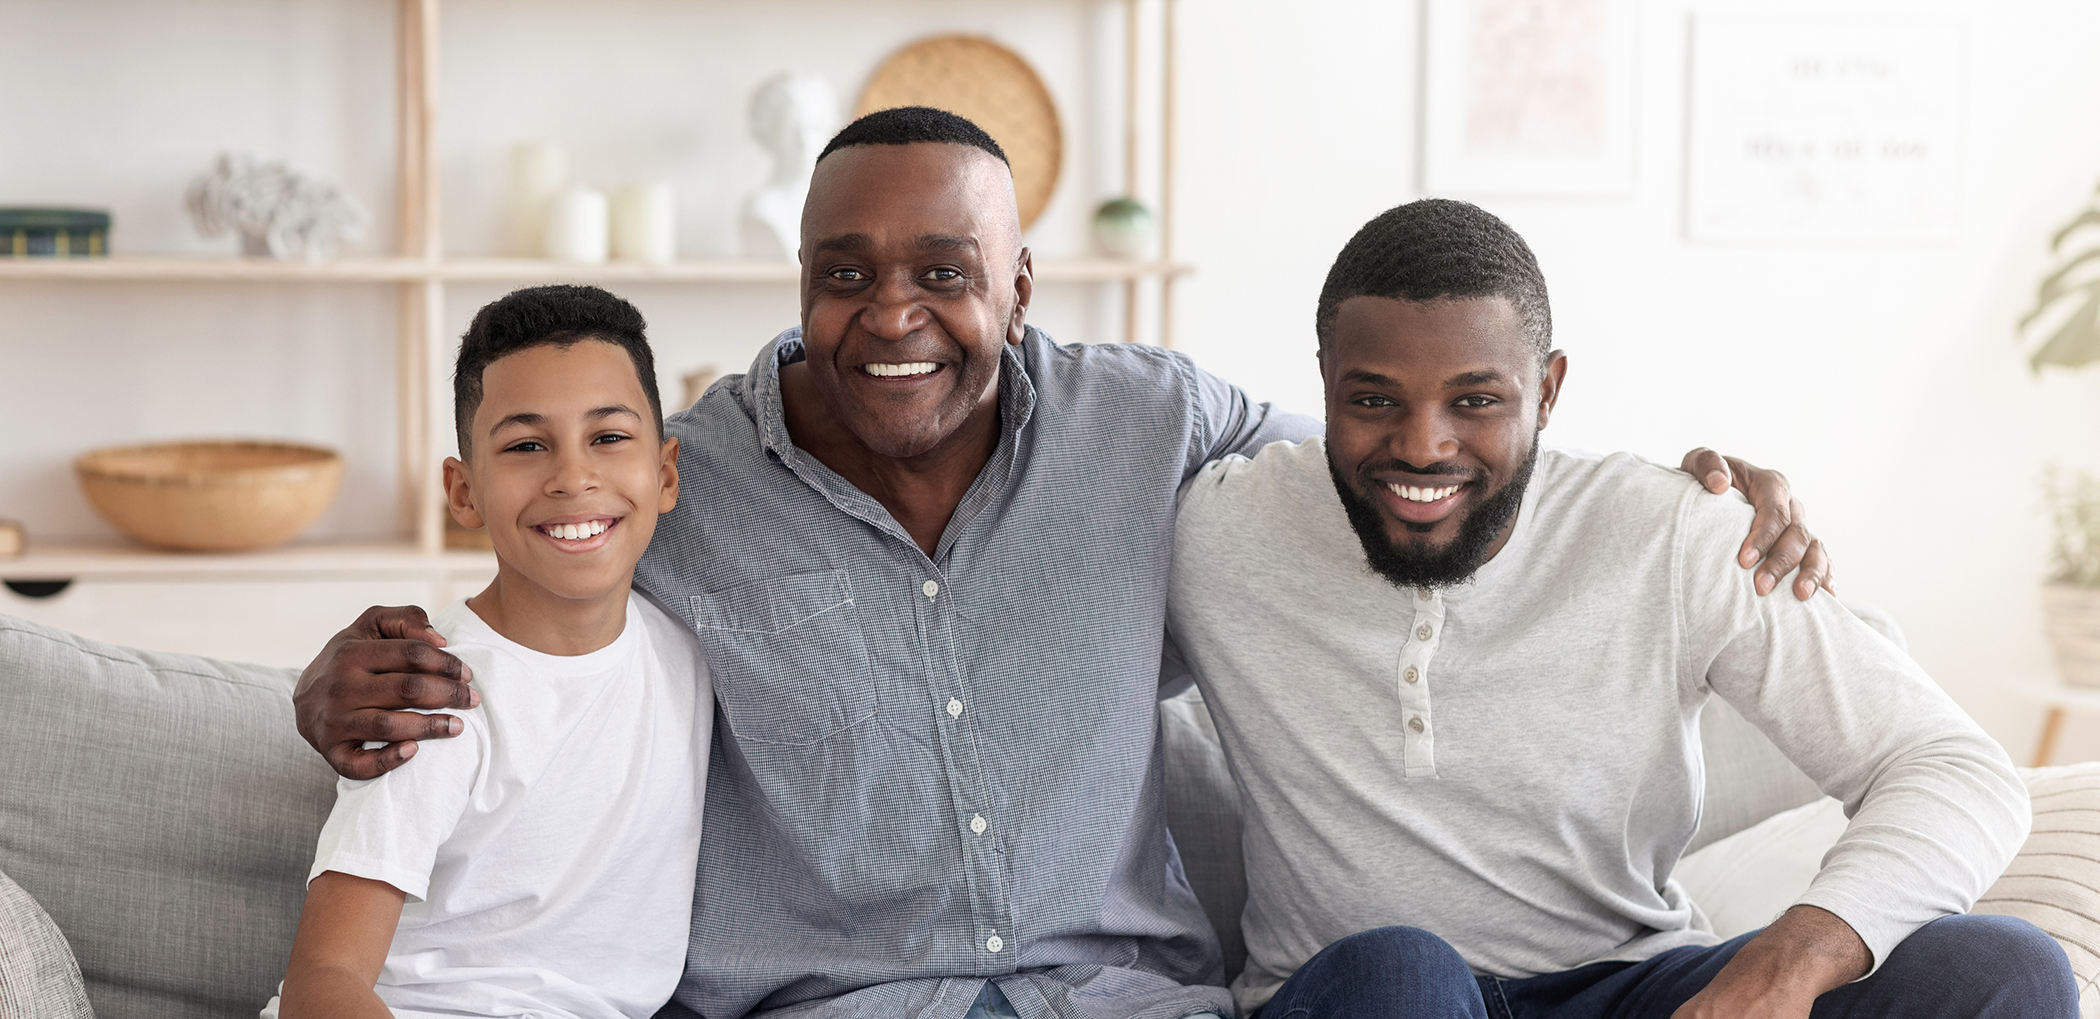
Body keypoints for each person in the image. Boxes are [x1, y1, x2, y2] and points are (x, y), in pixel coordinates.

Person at [293, 109, 1832, 1019]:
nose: (892, 315)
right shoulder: (682, 478)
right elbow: (535, 591)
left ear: (1021, 285)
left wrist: (1679, 484)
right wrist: (333, 676)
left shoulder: (1153, 422)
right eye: (848, 275)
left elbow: (1413, 450)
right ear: (802, 283)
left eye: (945, 273)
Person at [1165, 198, 2073, 1019]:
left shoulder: (1674, 532)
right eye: (1373, 400)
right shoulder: (1214, 528)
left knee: (2004, 967)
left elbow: (1955, 766)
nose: (1421, 445)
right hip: (1358, 996)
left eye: (1475, 400)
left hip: (1632, 988)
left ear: (1550, 389)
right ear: (1323, 380)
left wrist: (1787, 963)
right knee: (1404, 972)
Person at [273, 286, 710, 1019]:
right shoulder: (431, 695)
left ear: (664, 474)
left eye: (607, 437)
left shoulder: (689, 655)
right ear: (464, 490)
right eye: (525, 445)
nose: (573, 477)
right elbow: (324, 982)